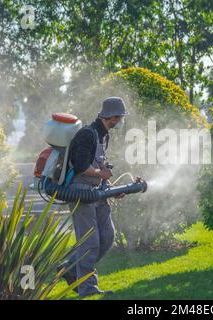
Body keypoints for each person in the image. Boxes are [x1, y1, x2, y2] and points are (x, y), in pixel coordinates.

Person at [57, 96, 129, 297]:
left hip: (97, 192)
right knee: (89, 243)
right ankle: (88, 289)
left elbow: (99, 167)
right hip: (81, 193)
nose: (121, 121)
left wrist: (112, 187)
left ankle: (70, 269)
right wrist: (99, 174)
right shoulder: (87, 135)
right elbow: (80, 165)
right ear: (112, 117)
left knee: (107, 237)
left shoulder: (103, 135)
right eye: (120, 117)